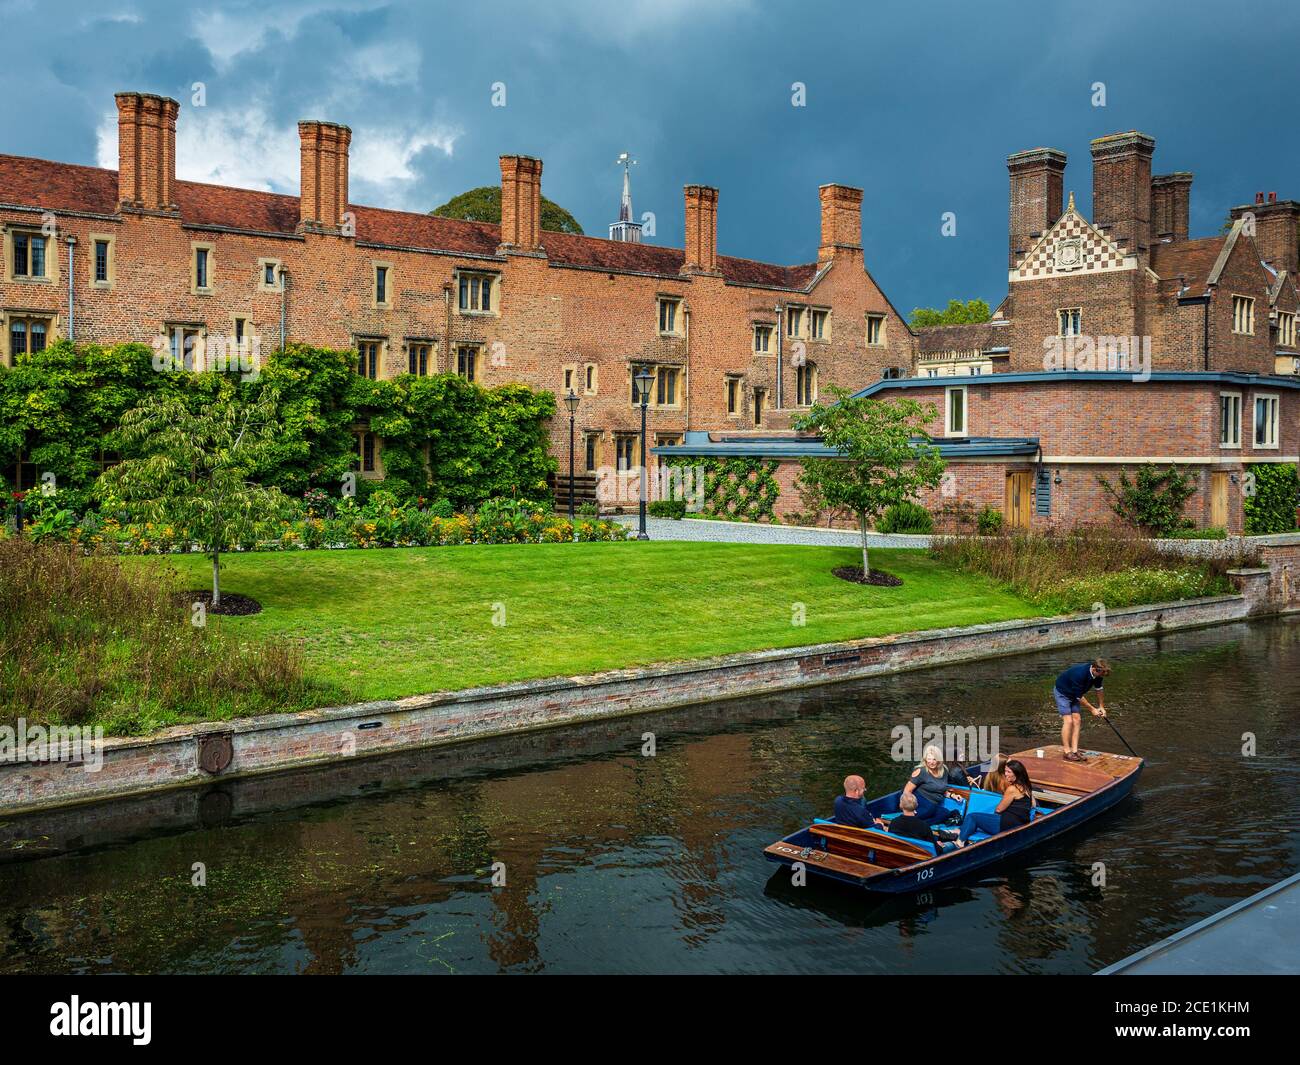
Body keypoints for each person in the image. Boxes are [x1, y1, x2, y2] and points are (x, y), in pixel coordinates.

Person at [954, 758, 1035, 847]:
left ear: (1016, 773)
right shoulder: (1026, 786)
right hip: (1019, 823)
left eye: (1009, 772)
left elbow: (999, 809)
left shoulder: (1012, 789)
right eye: (1005, 771)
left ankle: (960, 842)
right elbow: (1033, 804)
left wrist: (994, 814)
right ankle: (959, 831)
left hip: (1006, 824)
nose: (1005, 774)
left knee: (972, 817)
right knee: (979, 819)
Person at [1053, 659, 1111, 762]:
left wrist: (1101, 707)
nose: (1101, 676)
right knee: (1068, 721)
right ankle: (1067, 752)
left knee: (1077, 720)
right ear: (1094, 669)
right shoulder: (1079, 674)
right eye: (1101, 674)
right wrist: (1092, 709)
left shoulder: (1098, 674)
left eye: (1103, 674)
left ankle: (1075, 751)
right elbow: (1079, 697)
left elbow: (1099, 689)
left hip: (1074, 694)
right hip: (1063, 693)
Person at [902, 746, 960, 825]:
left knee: (944, 813)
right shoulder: (921, 771)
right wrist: (910, 807)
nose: (931, 762)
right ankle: (908, 821)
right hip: (919, 799)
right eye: (929, 759)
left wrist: (952, 795)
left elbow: (940, 788)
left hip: (933, 804)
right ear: (925, 759)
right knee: (930, 809)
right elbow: (907, 791)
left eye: (934, 759)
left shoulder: (944, 770)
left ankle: (920, 825)